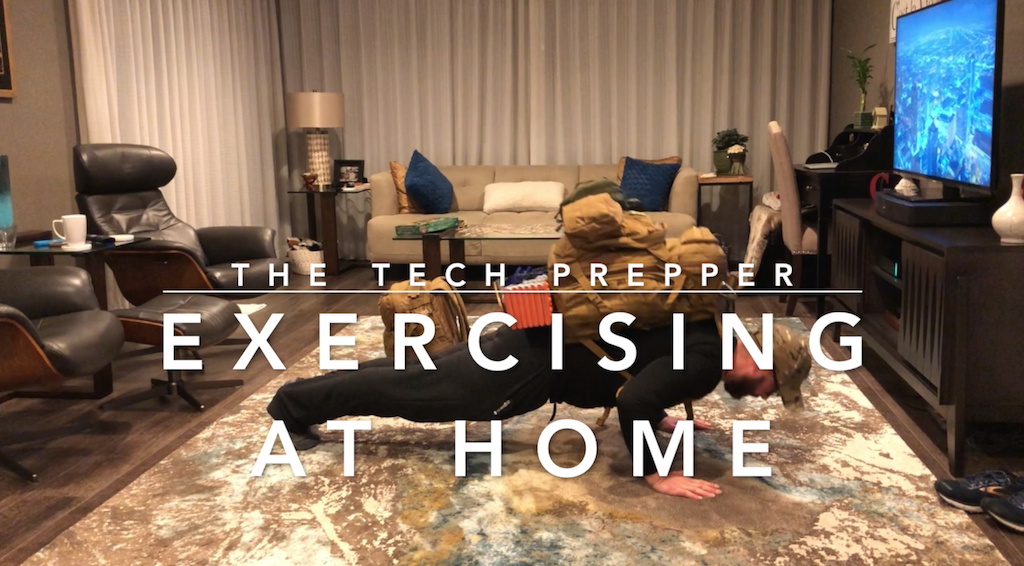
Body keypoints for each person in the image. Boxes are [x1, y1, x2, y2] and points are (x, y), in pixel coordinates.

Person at [267, 318, 811, 500]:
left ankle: (312, 391)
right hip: (522, 369)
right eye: (772, 384)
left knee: (410, 375)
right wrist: (655, 473)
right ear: (759, 356)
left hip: (527, 341)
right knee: (410, 392)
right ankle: (293, 405)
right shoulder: (706, 361)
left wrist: (661, 416)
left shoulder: (710, 329)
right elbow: (635, 396)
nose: (765, 395)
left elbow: (647, 369)